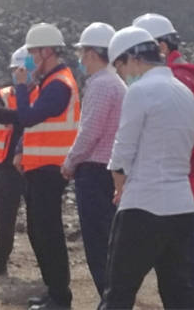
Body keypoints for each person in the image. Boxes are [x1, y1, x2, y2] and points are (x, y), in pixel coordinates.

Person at [101, 26, 194, 310]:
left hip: (143, 205)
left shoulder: (141, 91)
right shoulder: (185, 93)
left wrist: (119, 185)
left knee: (119, 292)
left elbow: (123, 150)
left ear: (132, 59)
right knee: (180, 294)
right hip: (182, 206)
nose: (122, 75)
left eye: (120, 67)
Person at [132, 12, 194, 308]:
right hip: (179, 183)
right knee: (174, 267)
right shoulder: (176, 77)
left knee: (181, 269)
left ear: (160, 47)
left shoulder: (177, 79)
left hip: (181, 184)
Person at [2, 22, 80, 310]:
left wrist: (22, 87)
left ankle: (60, 297)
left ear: (47, 51)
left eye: (34, 52)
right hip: (39, 168)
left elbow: (28, 117)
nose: (31, 58)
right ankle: (53, 290)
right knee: (39, 231)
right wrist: (22, 152)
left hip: (50, 170)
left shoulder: (59, 84)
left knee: (49, 233)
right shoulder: (50, 82)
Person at [61, 22, 125, 300]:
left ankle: (109, 301)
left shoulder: (101, 85)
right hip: (111, 171)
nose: (81, 59)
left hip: (95, 172)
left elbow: (89, 132)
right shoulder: (117, 83)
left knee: (98, 244)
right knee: (109, 241)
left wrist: (70, 162)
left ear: (91, 53)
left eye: (82, 53)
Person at [0, 45, 37, 276]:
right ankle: (0, 260)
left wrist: (22, 117)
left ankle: (45, 262)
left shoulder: (41, 93)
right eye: (15, 69)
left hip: (33, 165)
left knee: (37, 218)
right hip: (6, 164)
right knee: (5, 216)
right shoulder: (6, 94)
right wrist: (25, 116)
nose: (18, 73)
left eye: (21, 69)